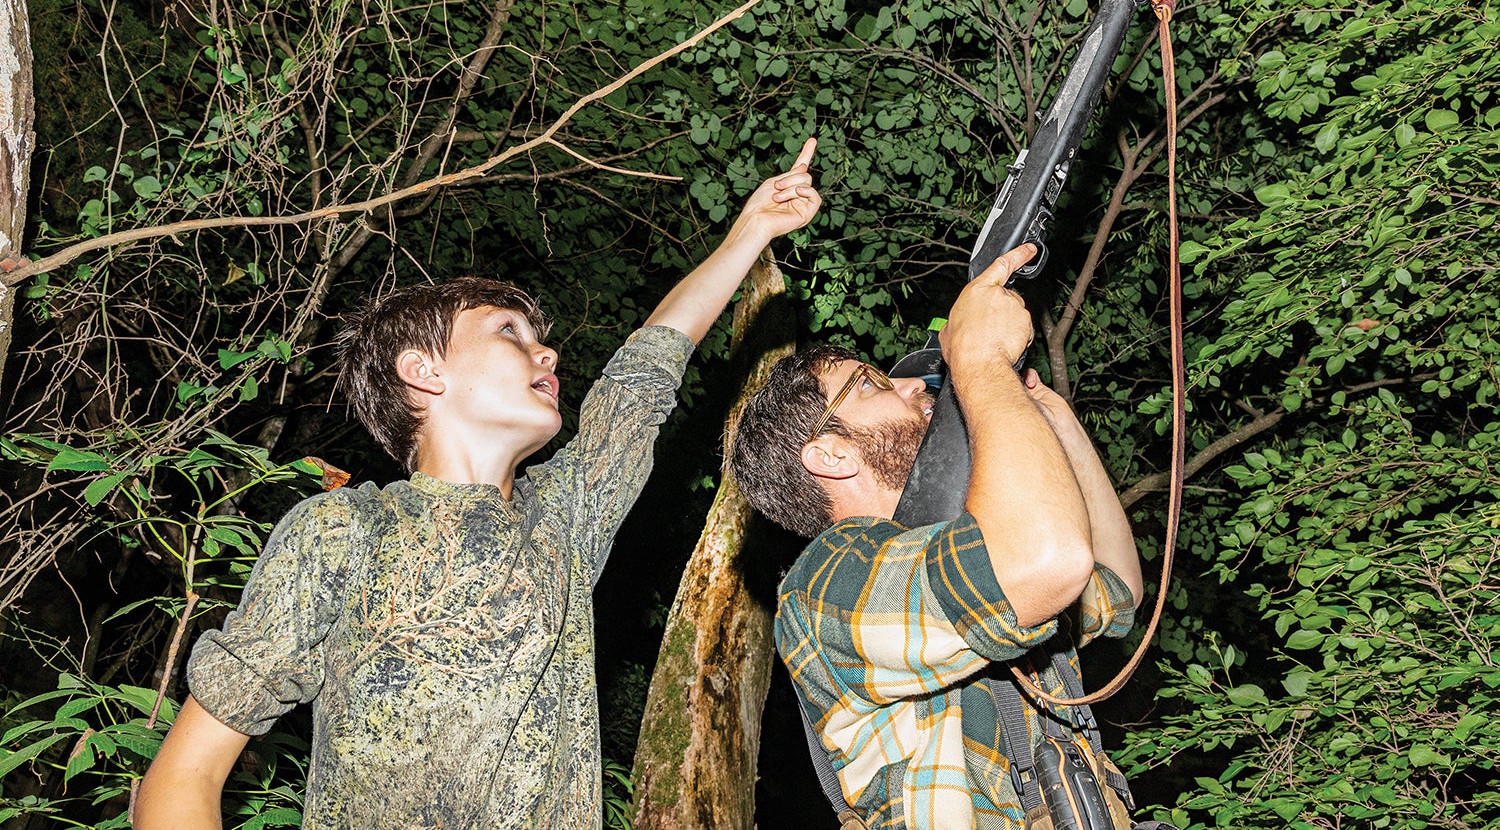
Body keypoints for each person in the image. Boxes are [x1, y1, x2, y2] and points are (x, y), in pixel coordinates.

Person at [135, 140, 821, 830]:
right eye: (509, 332)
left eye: (539, 337)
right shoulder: (344, 531)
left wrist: (749, 231)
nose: (545, 350)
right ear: (423, 372)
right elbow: (186, 773)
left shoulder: (565, 517)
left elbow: (643, 375)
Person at [729, 242, 1144, 830]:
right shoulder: (825, 580)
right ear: (830, 454)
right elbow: (1048, 559)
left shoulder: (972, 558)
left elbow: (1118, 588)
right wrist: (976, 359)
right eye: (871, 385)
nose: (914, 387)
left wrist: (1058, 421)